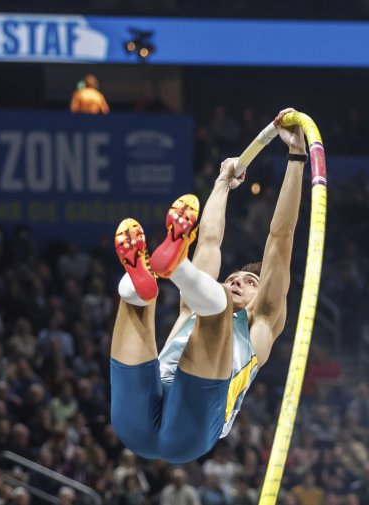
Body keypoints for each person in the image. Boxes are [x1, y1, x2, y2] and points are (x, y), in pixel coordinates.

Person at [109, 108, 306, 463]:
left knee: (212, 307)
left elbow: (281, 237)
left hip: (192, 430)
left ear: (263, 296)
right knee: (136, 303)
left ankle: (172, 267)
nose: (237, 281)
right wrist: (222, 184)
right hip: (136, 420)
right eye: (234, 277)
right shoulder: (191, 307)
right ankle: (147, 279)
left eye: (249, 282)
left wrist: (296, 157)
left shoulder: (262, 321)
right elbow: (211, 240)